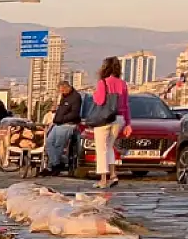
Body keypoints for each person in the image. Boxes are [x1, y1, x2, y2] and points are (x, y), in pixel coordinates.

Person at [87, 56, 132, 188]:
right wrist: (128, 123)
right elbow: (125, 105)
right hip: (118, 119)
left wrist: (94, 94)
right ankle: (113, 175)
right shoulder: (122, 83)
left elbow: (100, 101)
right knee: (109, 146)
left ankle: (103, 179)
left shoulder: (103, 83)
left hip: (104, 119)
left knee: (101, 149)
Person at [44, 82, 83, 175]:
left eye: (62, 90)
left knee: (58, 145)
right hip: (57, 124)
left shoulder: (76, 97)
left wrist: (61, 119)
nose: (61, 92)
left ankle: (54, 167)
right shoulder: (64, 96)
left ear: (67, 88)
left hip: (68, 124)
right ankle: (56, 164)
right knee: (49, 143)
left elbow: (74, 113)